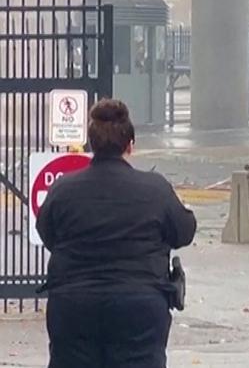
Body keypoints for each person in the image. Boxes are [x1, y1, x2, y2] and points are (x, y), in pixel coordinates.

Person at [36, 99, 197, 368]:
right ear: (130, 145)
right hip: (140, 307)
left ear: (92, 145)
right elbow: (184, 231)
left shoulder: (63, 190)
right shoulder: (155, 189)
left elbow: (48, 234)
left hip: (74, 305)